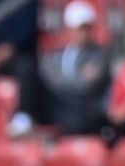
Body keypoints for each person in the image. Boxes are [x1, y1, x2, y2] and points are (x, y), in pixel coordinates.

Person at [39, 2, 111, 139]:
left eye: (87, 28)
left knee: (75, 118)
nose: (84, 33)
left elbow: (85, 87)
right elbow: (47, 78)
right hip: (58, 108)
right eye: (80, 28)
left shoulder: (99, 55)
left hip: (84, 111)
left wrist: (60, 80)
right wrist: (77, 78)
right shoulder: (56, 55)